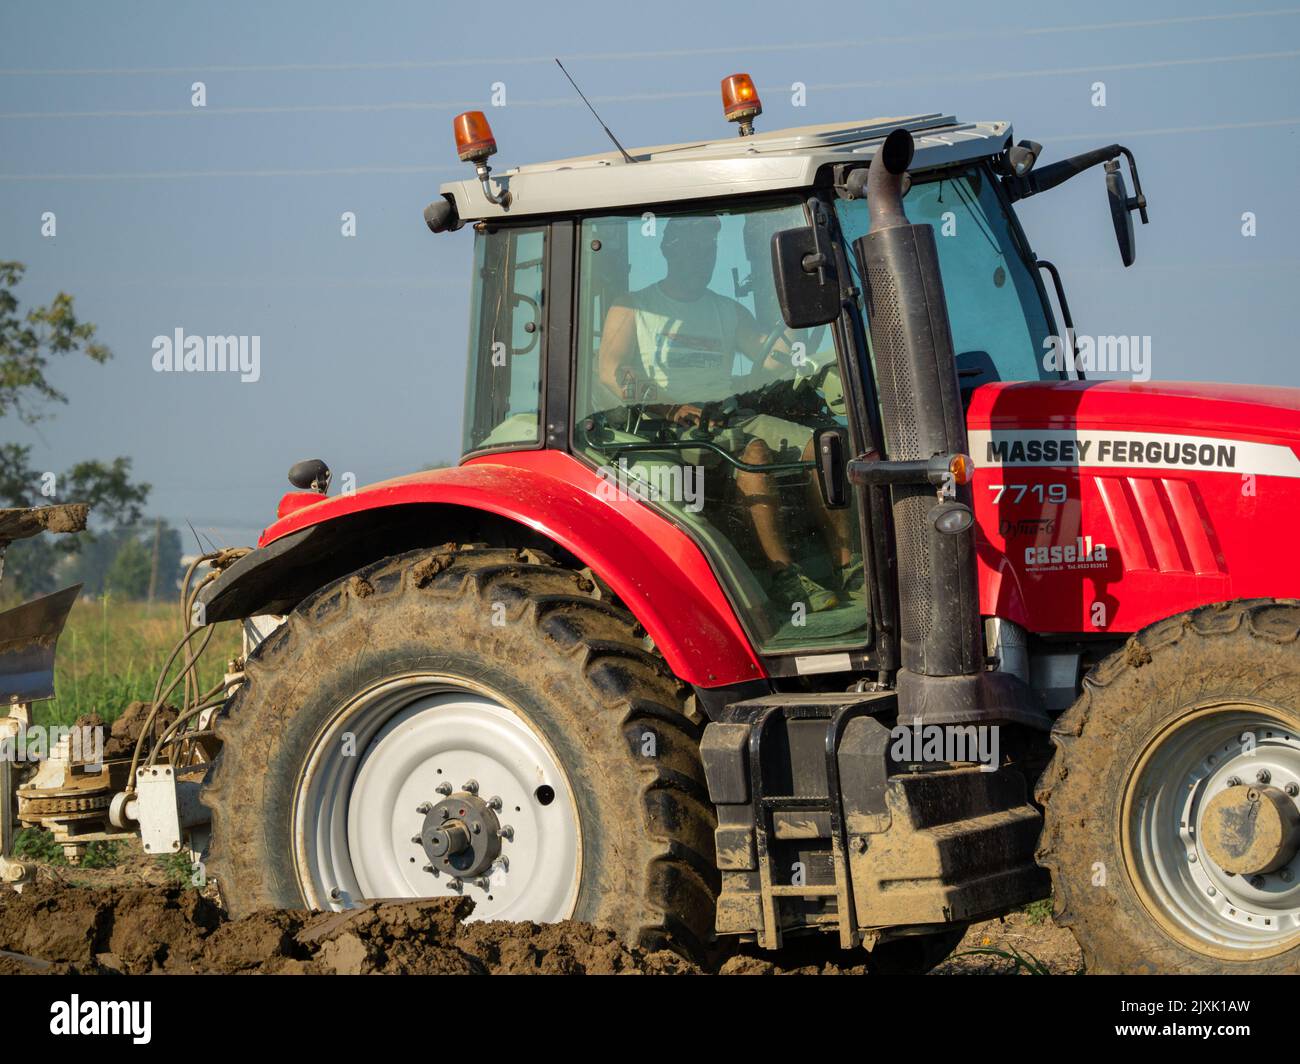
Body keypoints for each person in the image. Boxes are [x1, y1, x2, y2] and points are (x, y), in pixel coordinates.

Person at [594, 214, 858, 613]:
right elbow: (612, 372)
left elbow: (771, 359)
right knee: (752, 453)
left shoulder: (726, 310)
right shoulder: (635, 307)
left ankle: (848, 566)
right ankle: (785, 576)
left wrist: (800, 325)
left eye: (710, 248)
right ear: (668, 248)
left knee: (822, 446)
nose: (704, 257)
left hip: (728, 414)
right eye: (693, 247)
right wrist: (667, 406)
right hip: (665, 427)